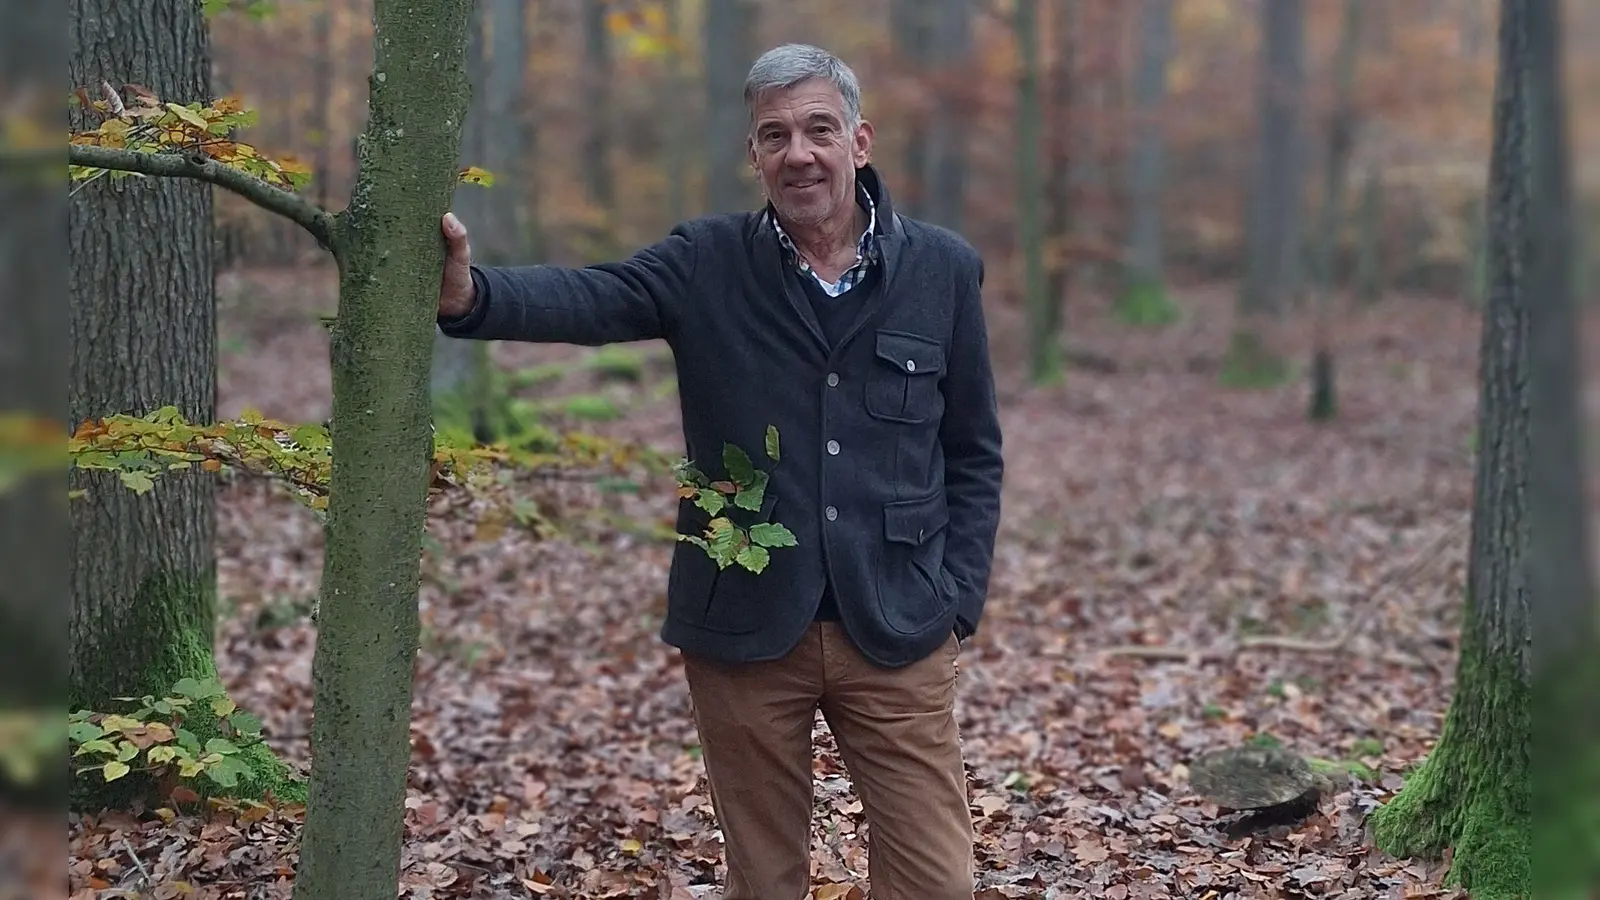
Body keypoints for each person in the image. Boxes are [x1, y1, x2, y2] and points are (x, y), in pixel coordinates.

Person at [435, 42, 1003, 900]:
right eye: (775, 136)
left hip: (898, 622)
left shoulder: (943, 270)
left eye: (819, 129)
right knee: (764, 880)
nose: (798, 153)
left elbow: (973, 450)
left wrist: (957, 596)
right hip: (743, 623)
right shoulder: (706, 260)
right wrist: (472, 297)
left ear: (860, 140)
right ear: (754, 155)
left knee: (938, 880)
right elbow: (593, 296)